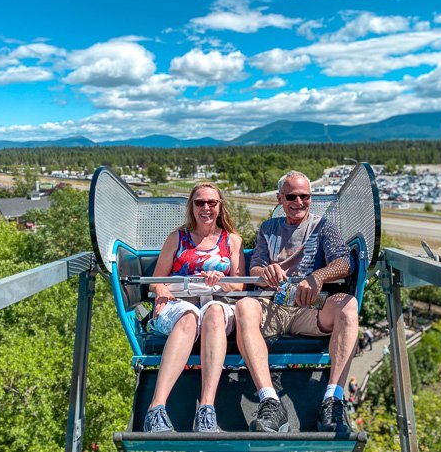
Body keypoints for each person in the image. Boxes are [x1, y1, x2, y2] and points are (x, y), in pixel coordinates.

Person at [235, 170, 357, 433]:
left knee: (348, 305)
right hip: (273, 305)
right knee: (244, 306)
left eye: (305, 196)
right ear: (280, 198)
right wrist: (265, 273)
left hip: (308, 308)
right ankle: (269, 399)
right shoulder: (268, 229)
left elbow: (345, 262)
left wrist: (317, 276)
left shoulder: (323, 226)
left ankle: (333, 399)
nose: (299, 202)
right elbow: (254, 268)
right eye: (292, 196)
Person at [142, 182, 245, 433]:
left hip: (216, 303)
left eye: (212, 203)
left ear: (220, 207)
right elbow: (156, 281)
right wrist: (161, 290)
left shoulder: (231, 241)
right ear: (192, 207)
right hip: (180, 304)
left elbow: (240, 286)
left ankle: (206, 408)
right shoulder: (177, 238)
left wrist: (221, 282)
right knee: (189, 317)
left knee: (213, 312)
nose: (206, 208)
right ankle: (156, 408)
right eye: (200, 203)